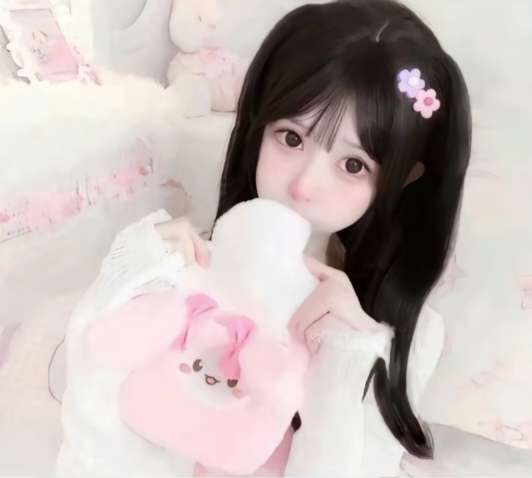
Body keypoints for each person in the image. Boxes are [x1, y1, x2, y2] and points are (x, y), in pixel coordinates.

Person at [153, 0, 526, 476]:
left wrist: (345, 357)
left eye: (353, 165)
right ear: (258, 123)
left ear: (404, 178)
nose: (304, 185)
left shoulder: (400, 336)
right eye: (291, 138)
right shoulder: (191, 260)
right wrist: (134, 272)